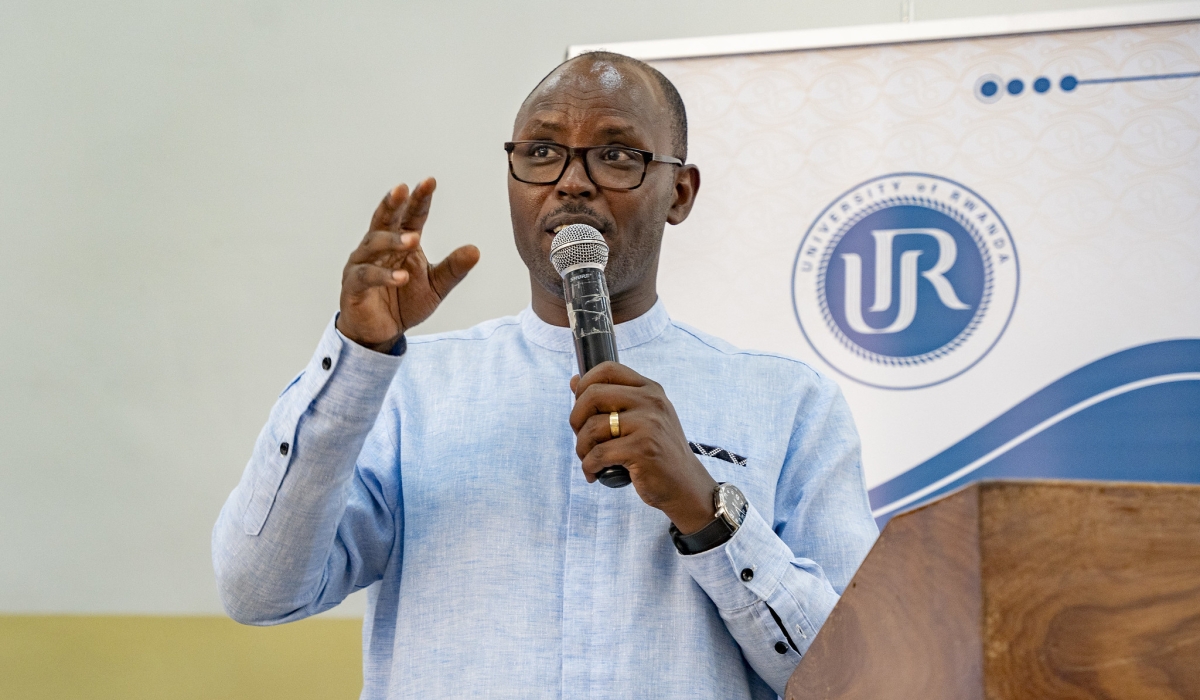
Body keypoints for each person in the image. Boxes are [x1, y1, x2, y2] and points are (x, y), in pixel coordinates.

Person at [213, 51, 877, 699]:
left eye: (617, 154)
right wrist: (356, 357)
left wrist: (706, 512)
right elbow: (257, 590)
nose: (572, 181)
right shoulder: (411, 391)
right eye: (541, 152)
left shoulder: (788, 403)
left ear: (680, 192)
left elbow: (861, 678)